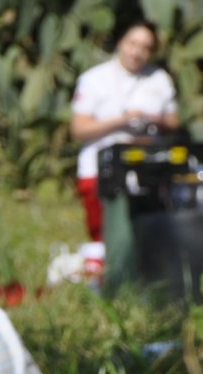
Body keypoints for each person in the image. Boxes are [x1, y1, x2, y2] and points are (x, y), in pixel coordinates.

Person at [71, 20, 179, 242]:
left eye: (146, 47)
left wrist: (152, 120)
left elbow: (173, 122)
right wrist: (123, 121)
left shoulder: (159, 79)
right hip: (101, 169)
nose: (137, 52)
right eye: (133, 43)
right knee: (104, 236)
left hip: (146, 170)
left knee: (147, 237)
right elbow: (79, 129)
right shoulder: (94, 79)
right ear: (121, 42)